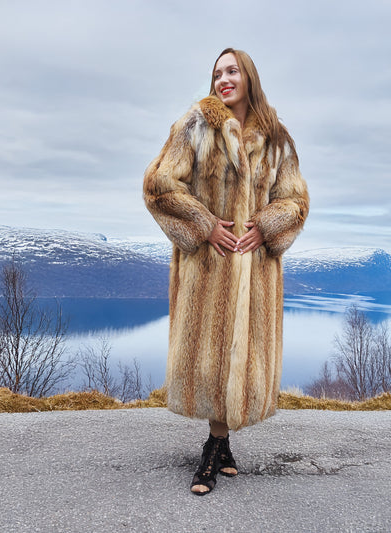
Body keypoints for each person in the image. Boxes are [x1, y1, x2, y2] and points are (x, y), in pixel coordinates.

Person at [143, 48, 309, 495]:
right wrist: (205, 225)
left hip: (255, 273)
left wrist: (266, 225)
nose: (223, 80)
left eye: (232, 71)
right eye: (217, 73)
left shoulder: (277, 139)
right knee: (214, 358)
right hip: (208, 269)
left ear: (249, 77)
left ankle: (221, 445)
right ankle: (213, 451)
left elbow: (296, 201)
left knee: (238, 359)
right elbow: (158, 185)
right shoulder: (196, 126)